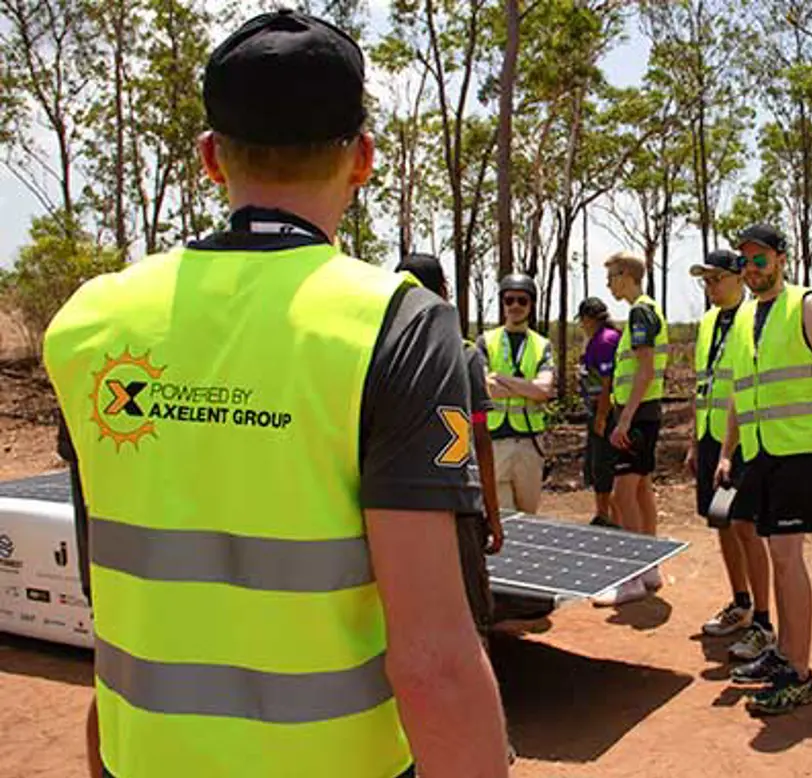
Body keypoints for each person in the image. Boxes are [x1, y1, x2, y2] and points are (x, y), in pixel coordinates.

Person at [43, 10, 508, 778]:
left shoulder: (91, 320)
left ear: (209, 159)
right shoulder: (397, 325)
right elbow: (434, 662)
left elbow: (112, 602)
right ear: (362, 158)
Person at [717, 223, 812, 715]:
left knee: (789, 558)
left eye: (760, 260)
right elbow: (739, 390)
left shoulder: (808, 307)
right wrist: (729, 451)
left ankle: (800, 673)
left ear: (779, 258)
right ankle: (785, 654)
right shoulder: (746, 316)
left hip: (799, 454)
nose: (751, 270)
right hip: (759, 453)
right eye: (744, 261)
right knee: (777, 557)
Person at [396, 252, 504, 637]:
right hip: (458, 502)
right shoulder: (466, 353)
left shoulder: (381, 353)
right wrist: (492, 512)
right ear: (443, 292)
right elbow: (480, 438)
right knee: (470, 614)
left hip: (397, 503)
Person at [687, 250, 775, 662]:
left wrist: (731, 445)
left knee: (745, 526)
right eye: (705, 279)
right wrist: (694, 441)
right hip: (709, 437)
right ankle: (739, 602)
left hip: (741, 440)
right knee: (720, 520)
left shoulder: (753, 317)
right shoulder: (706, 323)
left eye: (717, 278)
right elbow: (701, 385)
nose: (711, 286)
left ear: (739, 278)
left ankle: (763, 620)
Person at [593, 251, 669, 607]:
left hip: (636, 416)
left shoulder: (641, 311)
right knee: (641, 492)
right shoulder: (648, 309)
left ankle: (631, 576)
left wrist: (623, 420)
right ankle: (650, 568)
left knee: (623, 496)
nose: (608, 284)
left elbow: (644, 370)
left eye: (611, 277)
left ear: (626, 275)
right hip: (645, 414)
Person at [478, 274, 555, 514]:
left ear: (531, 305)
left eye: (522, 300)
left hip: (529, 444)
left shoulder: (542, 345)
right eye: (509, 300)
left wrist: (502, 379)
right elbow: (484, 389)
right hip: (496, 442)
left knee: (528, 516)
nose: (515, 306)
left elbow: (543, 390)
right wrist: (526, 386)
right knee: (502, 516)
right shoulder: (485, 341)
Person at [577, 296, 621, 528]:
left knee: (603, 465)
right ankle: (604, 512)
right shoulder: (595, 339)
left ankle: (607, 516)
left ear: (588, 319)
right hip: (594, 409)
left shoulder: (606, 340)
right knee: (594, 466)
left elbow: (607, 382)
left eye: (583, 321)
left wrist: (602, 416)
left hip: (605, 410)